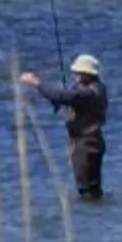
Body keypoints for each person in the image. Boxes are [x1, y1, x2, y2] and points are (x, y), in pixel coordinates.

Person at [17, 53, 107, 201]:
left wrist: (36, 82)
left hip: (85, 144)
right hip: (94, 141)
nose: (76, 75)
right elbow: (68, 97)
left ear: (87, 73)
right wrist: (63, 101)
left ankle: (88, 210)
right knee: (94, 186)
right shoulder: (98, 87)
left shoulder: (87, 92)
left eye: (78, 72)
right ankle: (97, 209)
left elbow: (62, 96)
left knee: (85, 188)